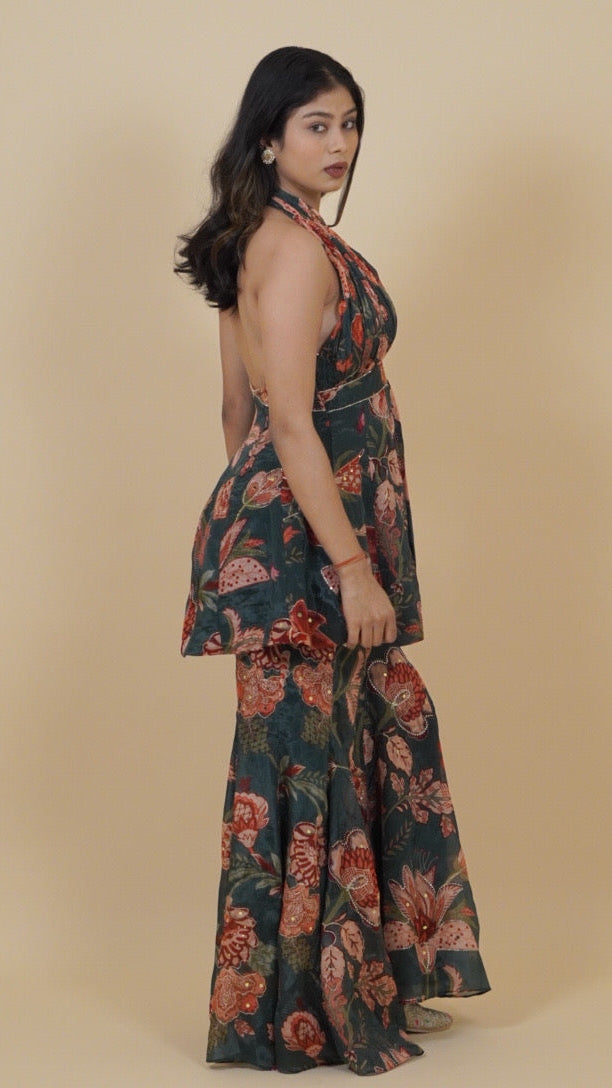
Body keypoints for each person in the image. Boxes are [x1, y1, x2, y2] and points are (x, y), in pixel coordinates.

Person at [175, 46, 490, 1076]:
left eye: (351, 122)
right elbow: (286, 418)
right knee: (311, 760)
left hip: (294, 530)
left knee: (342, 740)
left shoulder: (256, 238)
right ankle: (309, 1010)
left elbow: (236, 417)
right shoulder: (298, 248)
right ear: (269, 135)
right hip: (322, 538)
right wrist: (341, 561)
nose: (342, 143)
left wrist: (264, 530)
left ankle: (351, 980)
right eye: (318, 123)